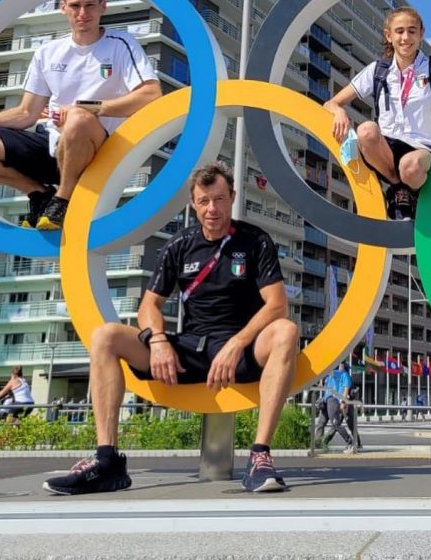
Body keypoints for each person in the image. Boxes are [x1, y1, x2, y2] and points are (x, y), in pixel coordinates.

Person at [43, 162, 299, 496]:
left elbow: (276, 304)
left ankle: (260, 456)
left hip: (241, 350)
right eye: (204, 201)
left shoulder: (255, 241)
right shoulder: (181, 244)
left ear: (233, 198)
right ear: (193, 203)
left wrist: (237, 343)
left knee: (286, 331)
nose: (212, 209)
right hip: (188, 351)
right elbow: (149, 306)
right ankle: (107, 462)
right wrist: (159, 340)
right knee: (106, 335)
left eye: (220, 199)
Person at [0, 0, 162, 231]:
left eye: (89, 5)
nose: (82, 13)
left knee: (78, 118)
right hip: (52, 144)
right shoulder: (47, 52)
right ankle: (38, 193)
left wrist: (89, 108)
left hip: (97, 149)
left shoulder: (121, 44)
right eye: (75, 6)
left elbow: (151, 95)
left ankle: (63, 199)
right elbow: (25, 114)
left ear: (103, 7)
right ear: (63, 8)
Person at [324, 6, 431, 220]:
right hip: (387, 150)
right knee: (365, 131)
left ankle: (410, 193)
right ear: (389, 35)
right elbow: (332, 103)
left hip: (423, 150)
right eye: (399, 31)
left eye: (412, 31)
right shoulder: (378, 70)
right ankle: (397, 189)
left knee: (409, 166)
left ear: (421, 34)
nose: (405, 37)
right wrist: (338, 111)